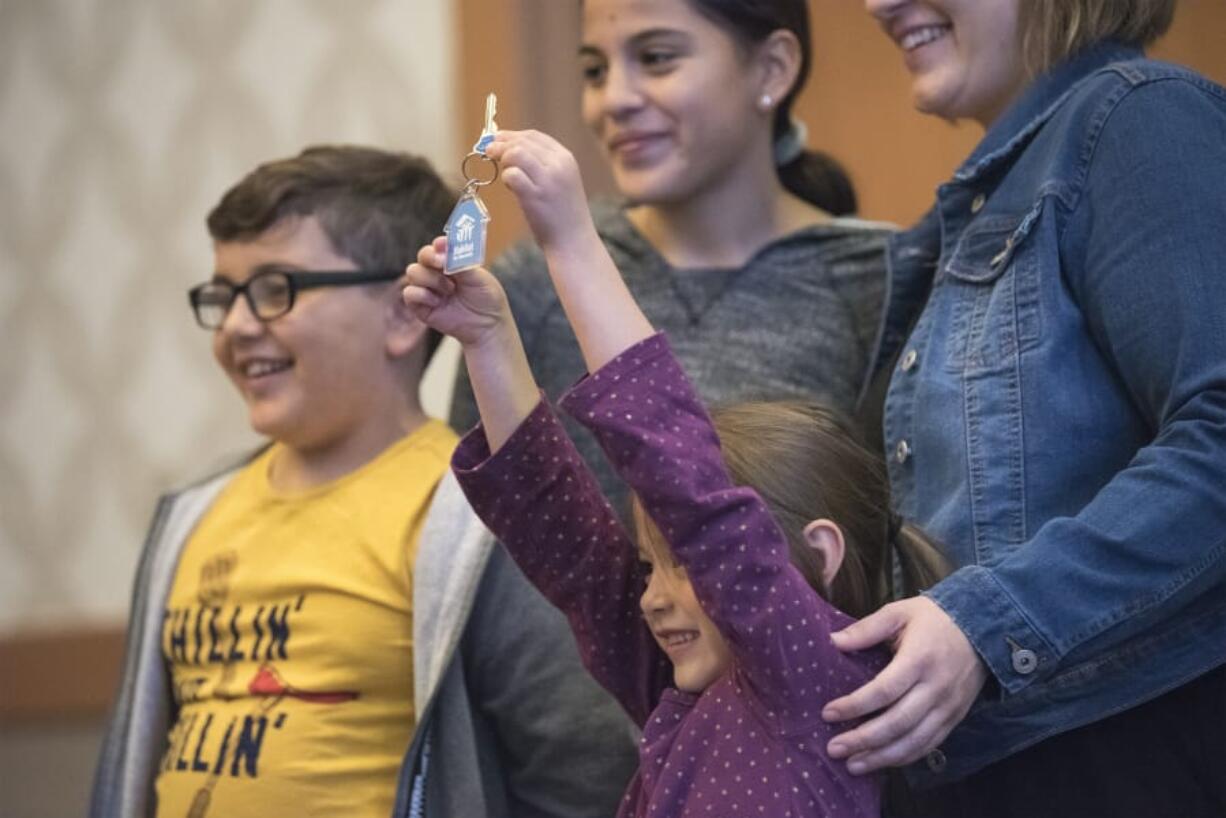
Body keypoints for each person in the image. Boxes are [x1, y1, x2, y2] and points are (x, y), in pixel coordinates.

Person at [403, 127, 946, 817]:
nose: (653, 597)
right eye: (650, 566)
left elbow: (688, 486)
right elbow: (562, 538)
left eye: (686, 565)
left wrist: (572, 241)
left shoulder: (819, 684)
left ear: (819, 555)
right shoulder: (675, 684)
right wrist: (486, 339)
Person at [89, 145, 637, 818]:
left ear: (405, 314)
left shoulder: (479, 517)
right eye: (223, 296)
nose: (235, 326)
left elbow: (579, 775)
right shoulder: (189, 518)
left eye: (272, 290)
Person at [818, 1, 1226, 815]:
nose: (878, 5)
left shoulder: (1137, 119)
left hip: (1122, 763)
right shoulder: (989, 197)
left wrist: (986, 621)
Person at [450, 0, 892, 513]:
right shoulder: (530, 282)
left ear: (773, 67)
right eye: (595, 70)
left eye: (657, 57)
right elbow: (474, 530)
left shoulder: (881, 280)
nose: (613, 100)